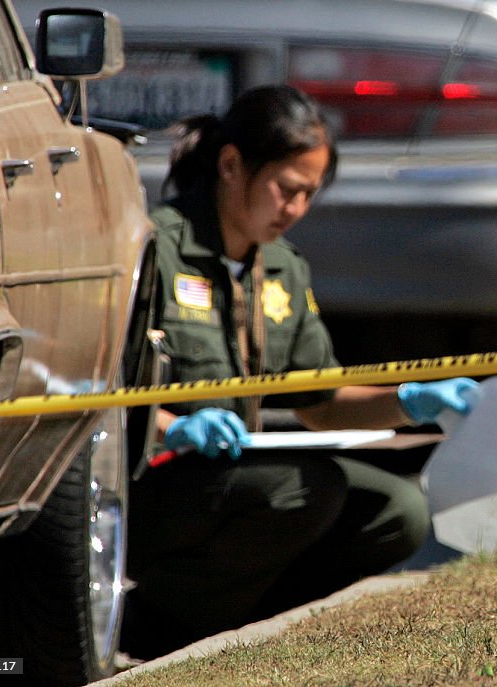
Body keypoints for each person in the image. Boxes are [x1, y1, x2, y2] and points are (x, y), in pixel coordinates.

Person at [121, 84, 478, 658]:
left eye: (309, 195)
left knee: (399, 512)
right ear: (232, 165)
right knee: (301, 490)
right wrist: (170, 426)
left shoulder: (285, 268)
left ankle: (246, 631)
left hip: (237, 479)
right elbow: (99, 392)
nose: (296, 210)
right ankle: (156, 625)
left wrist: (410, 401)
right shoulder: (153, 250)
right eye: (286, 189)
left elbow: (322, 401)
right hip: (155, 483)